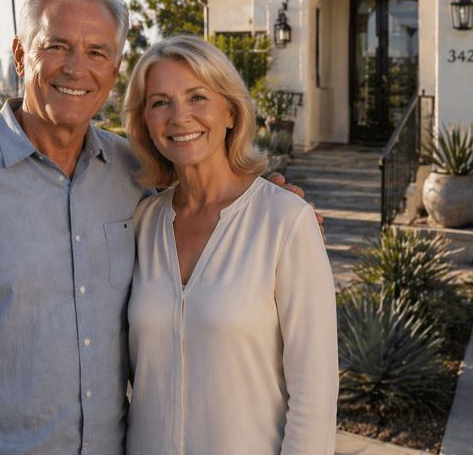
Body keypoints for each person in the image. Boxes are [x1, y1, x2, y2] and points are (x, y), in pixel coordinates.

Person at [0, 0, 321, 455]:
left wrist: (276, 208)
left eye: (96, 52)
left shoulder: (132, 174)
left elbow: (212, 197)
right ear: (19, 55)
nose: (77, 68)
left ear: (114, 69)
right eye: (56, 47)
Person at [122, 35, 338, 455]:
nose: (179, 117)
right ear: (144, 121)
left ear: (230, 112)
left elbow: (315, 391)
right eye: (160, 102)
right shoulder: (142, 223)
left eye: (197, 96)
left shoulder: (285, 219)